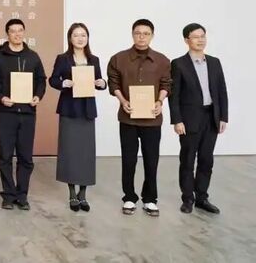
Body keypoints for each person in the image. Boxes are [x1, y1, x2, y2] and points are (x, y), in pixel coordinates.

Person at [107, 18, 171, 216]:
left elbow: (166, 84)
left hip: (152, 119)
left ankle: (150, 199)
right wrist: (122, 101)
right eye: (138, 33)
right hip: (128, 118)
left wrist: (159, 101)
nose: (141, 37)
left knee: (151, 160)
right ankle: (129, 197)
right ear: (132, 34)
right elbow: (114, 83)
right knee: (128, 159)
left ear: (152, 36)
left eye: (146, 33)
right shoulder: (118, 58)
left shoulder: (162, 60)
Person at [169, 23, 229, 215]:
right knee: (187, 160)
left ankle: (202, 198)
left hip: (211, 117)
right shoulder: (178, 64)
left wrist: (223, 116)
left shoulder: (214, 62)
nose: (200, 40)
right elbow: (174, 95)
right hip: (189, 119)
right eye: (196, 37)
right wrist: (177, 120)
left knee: (206, 159)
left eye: (203, 36)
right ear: (186, 40)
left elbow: (221, 91)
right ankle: (188, 199)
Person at [48, 23, 106, 212]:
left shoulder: (94, 59)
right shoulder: (63, 58)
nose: (80, 38)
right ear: (70, 38)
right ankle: (72, 193)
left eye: (83, 35)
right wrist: (63, 83)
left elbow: (99, 81)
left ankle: (83, 194)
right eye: (76, 35)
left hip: (87, 110)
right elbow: (53, 80)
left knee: (86, 153)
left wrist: (102, 83)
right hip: (69, 109)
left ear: (87, 38)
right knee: (70, 152)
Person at [0, 18, 47, 210]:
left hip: (28, 113)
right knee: (5, 156)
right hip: (6, 113)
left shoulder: (33, 57)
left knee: (25, 157)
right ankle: (8, 195)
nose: (17, 34)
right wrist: (1, 98)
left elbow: (41, 80)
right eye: (13, 31)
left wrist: (38, 96)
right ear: (7, 34)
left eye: (20, 30)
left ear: (24, 32)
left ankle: (22, 195)